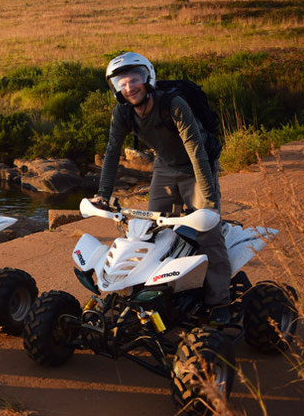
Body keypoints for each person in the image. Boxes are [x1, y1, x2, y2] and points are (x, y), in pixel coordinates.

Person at [92, 52, 232, 325]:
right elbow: (112, 152)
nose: (129, 87)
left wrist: (210, 201)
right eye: (121, 82)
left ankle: (219, 302)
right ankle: (155, 294)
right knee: (150, 230)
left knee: (208, 233)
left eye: (134, 79)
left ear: (147, 77)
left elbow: (196, 151)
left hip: (196, 166)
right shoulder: (122, 112)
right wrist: (103, 194)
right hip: (165, 166)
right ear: (115, 88)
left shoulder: (173, 104)